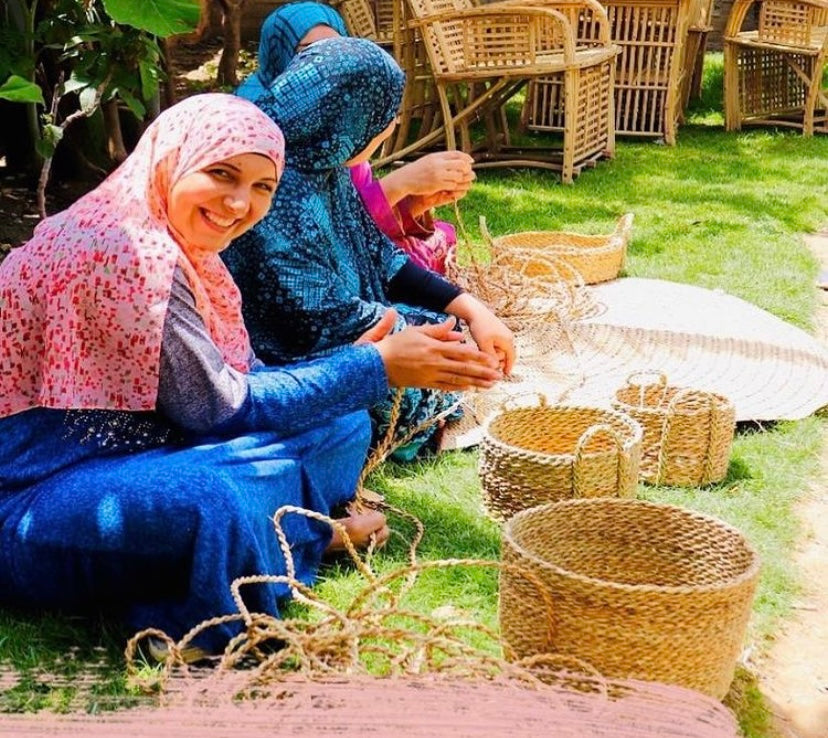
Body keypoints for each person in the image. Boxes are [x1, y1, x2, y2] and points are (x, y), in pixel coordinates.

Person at [0, 93, 502, 658]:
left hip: (156, 448)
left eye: (263, 186)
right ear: (173, 159)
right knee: (211, 501)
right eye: (221, 174)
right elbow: (217, 409)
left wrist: (342, 372)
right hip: (38, 493)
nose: (240, 204)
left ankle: (270, 538)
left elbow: (235, 384)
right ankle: (281, 554)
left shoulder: (188, 245)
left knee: (344, 426)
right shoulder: (127, 253)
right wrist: (373, 365)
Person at [226, 38, 514, 460]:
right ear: (350, 113)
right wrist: (430, 339)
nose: (391, 123)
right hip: (288, 367)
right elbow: (317, 320)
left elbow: (383, 256)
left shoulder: (322, 166)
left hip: (353, 328)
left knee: (447, 335)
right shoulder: (273, 190)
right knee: (410, 375)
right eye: (385, 111)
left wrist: (472, 309)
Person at [236, 0, 474, 274]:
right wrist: (401, 182)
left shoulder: (342, 128)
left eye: (337, 51)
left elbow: (357, 215)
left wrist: (415, 201)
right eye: (311, 52)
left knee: (437, 238)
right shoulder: (263, 135)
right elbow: (329, 234)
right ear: (279, 54)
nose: (329, 65)